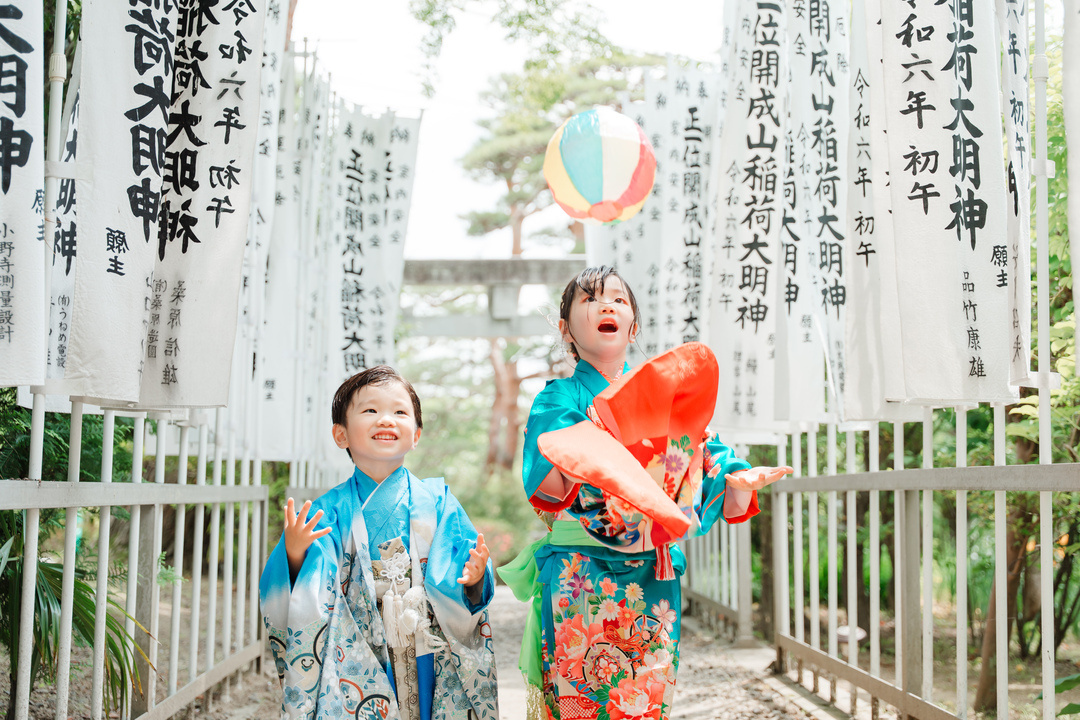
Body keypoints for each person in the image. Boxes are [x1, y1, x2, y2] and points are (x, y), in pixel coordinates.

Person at [499, 266, 792, 720]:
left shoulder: (666, 397)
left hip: (652, 572)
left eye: (619, 299)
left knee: (644, 699)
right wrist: (583, 457)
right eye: (590, 299)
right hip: (581, 569)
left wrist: (736, 479)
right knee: (582, 698)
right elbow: (549, 484)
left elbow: (706, 452)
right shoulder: (558, 399)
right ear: (565, 329)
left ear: (632, 327)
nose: (607, 305)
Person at [260, 366, 499, 720]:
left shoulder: (438, 501)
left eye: (400, 411)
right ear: (341, 434)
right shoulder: (328, 511)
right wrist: (294, 553)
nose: (386, 419)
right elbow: (300, 596)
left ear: (416, 435)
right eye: (370, 410)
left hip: (426, 646)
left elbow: (462, 571)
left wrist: (474, 578)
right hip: (353, 650)